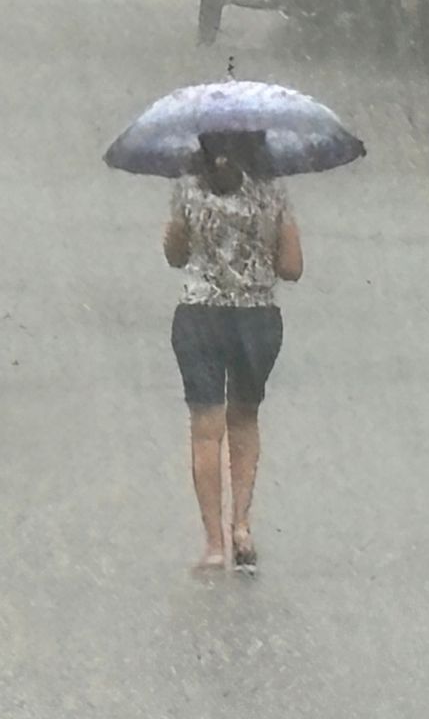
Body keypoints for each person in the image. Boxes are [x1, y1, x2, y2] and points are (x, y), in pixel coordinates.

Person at [163, 129, 303, 571]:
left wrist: (187, 230)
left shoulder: (187, 187)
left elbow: (175, 255)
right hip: (257, 321)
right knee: (244, 419)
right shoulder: (272, 190)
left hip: (200, 316)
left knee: (206, 430)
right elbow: (292, 267)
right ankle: (242, 524)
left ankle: (214, 544)